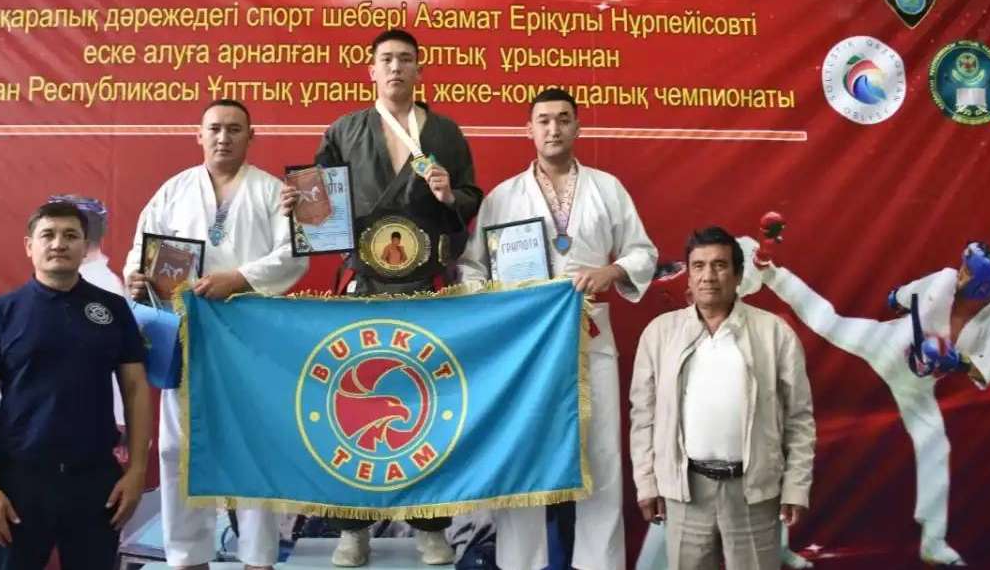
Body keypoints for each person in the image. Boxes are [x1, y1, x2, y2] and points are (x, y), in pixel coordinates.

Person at [281, 29, 481, 566]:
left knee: (426, 403)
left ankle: (431, 524)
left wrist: (448, 194)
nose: (396, 68)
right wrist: (298, 205)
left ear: (421, 70)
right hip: (364, 287)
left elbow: (469, 195)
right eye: (386, 60)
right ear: (370, 71)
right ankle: (354, 528)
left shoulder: (444, 131)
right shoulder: (344, 130)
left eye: (406, 60)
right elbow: (321, 210)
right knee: (353, 403)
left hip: (424, 288)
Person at [457, 87, 658, 570]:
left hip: (588, 335)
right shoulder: (503, 196)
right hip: (524, 346)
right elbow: (470, 269)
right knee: (523, 454)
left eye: (563, 119)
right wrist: (500, 307)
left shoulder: (607, 188)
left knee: (600, 459)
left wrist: (611, 272)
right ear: (528, 130)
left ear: (577, 127)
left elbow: (643, 252)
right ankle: (520, 564)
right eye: (543, 120)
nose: (553, 128)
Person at [742, 215, 990, 566]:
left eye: (967, 273)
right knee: (828, 321)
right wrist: (896, 297)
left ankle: (934, 544)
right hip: (886, 342)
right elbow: (906, 295)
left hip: (916, 384)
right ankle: (770, 271)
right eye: (962, 268)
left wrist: (958, 362)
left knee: (936, 446)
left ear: (983, 286)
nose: (959, 273)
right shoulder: (945, 280)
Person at [124, 99, 308, 570]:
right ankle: (187, 556)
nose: (223, 137)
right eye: (215, 129)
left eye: (234, 129)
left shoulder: (273, 192)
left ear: (251, 136)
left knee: (255, 441)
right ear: (198, 135)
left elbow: (295, 256)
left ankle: (258, 556)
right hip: (187, 331)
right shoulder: (174, 191)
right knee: (176, 447)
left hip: (251, 332)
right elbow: (142, 250)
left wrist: (238, 278)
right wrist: (135, 277)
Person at [0, 201, 153, 570]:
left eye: (70, 236)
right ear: (30, 245)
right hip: (19, 481)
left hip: (96, 481)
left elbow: (136, 390)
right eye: (48, 235)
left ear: (85, 246)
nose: (58, 244)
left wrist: (137, 471)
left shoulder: (113, 309)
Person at [629, 227, 815, 570]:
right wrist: (646, 482)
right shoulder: (659, 334)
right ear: (688, 274)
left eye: (719, 265)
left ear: (738, 275)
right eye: (698, 266)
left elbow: (799, 419)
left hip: (754, 490)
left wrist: (795, 488)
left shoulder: (773, 333)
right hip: (686, 491)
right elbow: (644, 416)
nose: (707, 276)